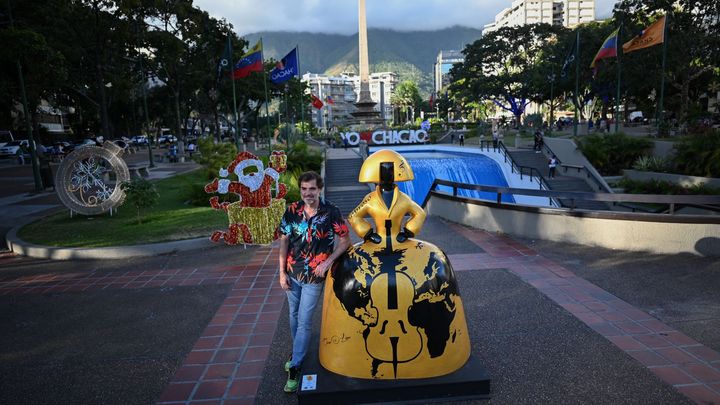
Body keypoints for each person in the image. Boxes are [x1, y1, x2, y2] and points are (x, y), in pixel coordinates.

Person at [278, 171, 350, 393]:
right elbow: (284, 242)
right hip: (292, 273)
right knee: (293, 316)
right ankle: (298, 351)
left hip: (314, 277)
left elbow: (345, 240)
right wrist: (281, 272)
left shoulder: (331, 212)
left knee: (305, 320)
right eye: (304, 189)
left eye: (312, 189)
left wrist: (328, 262)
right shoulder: (291, 212)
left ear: (320, 189)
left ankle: (296, 366)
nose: (308, 193)